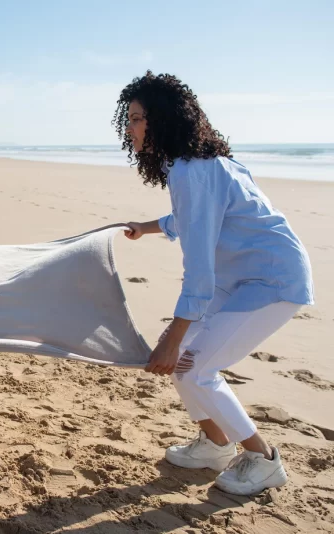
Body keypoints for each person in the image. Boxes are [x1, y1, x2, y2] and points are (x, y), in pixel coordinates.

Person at [115, 71, 314, 495]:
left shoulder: (194, 171)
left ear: (162, 119)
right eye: (129, 119)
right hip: (239, 275)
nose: (129, 128)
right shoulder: (186, 165)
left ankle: (263, 458)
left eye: (135, 119)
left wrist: (173, 332)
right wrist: (145, 227)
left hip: (272, 278)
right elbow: (192, 220)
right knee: (187, 360)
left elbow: (199, 270)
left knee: (196, 366)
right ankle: (215, 443)